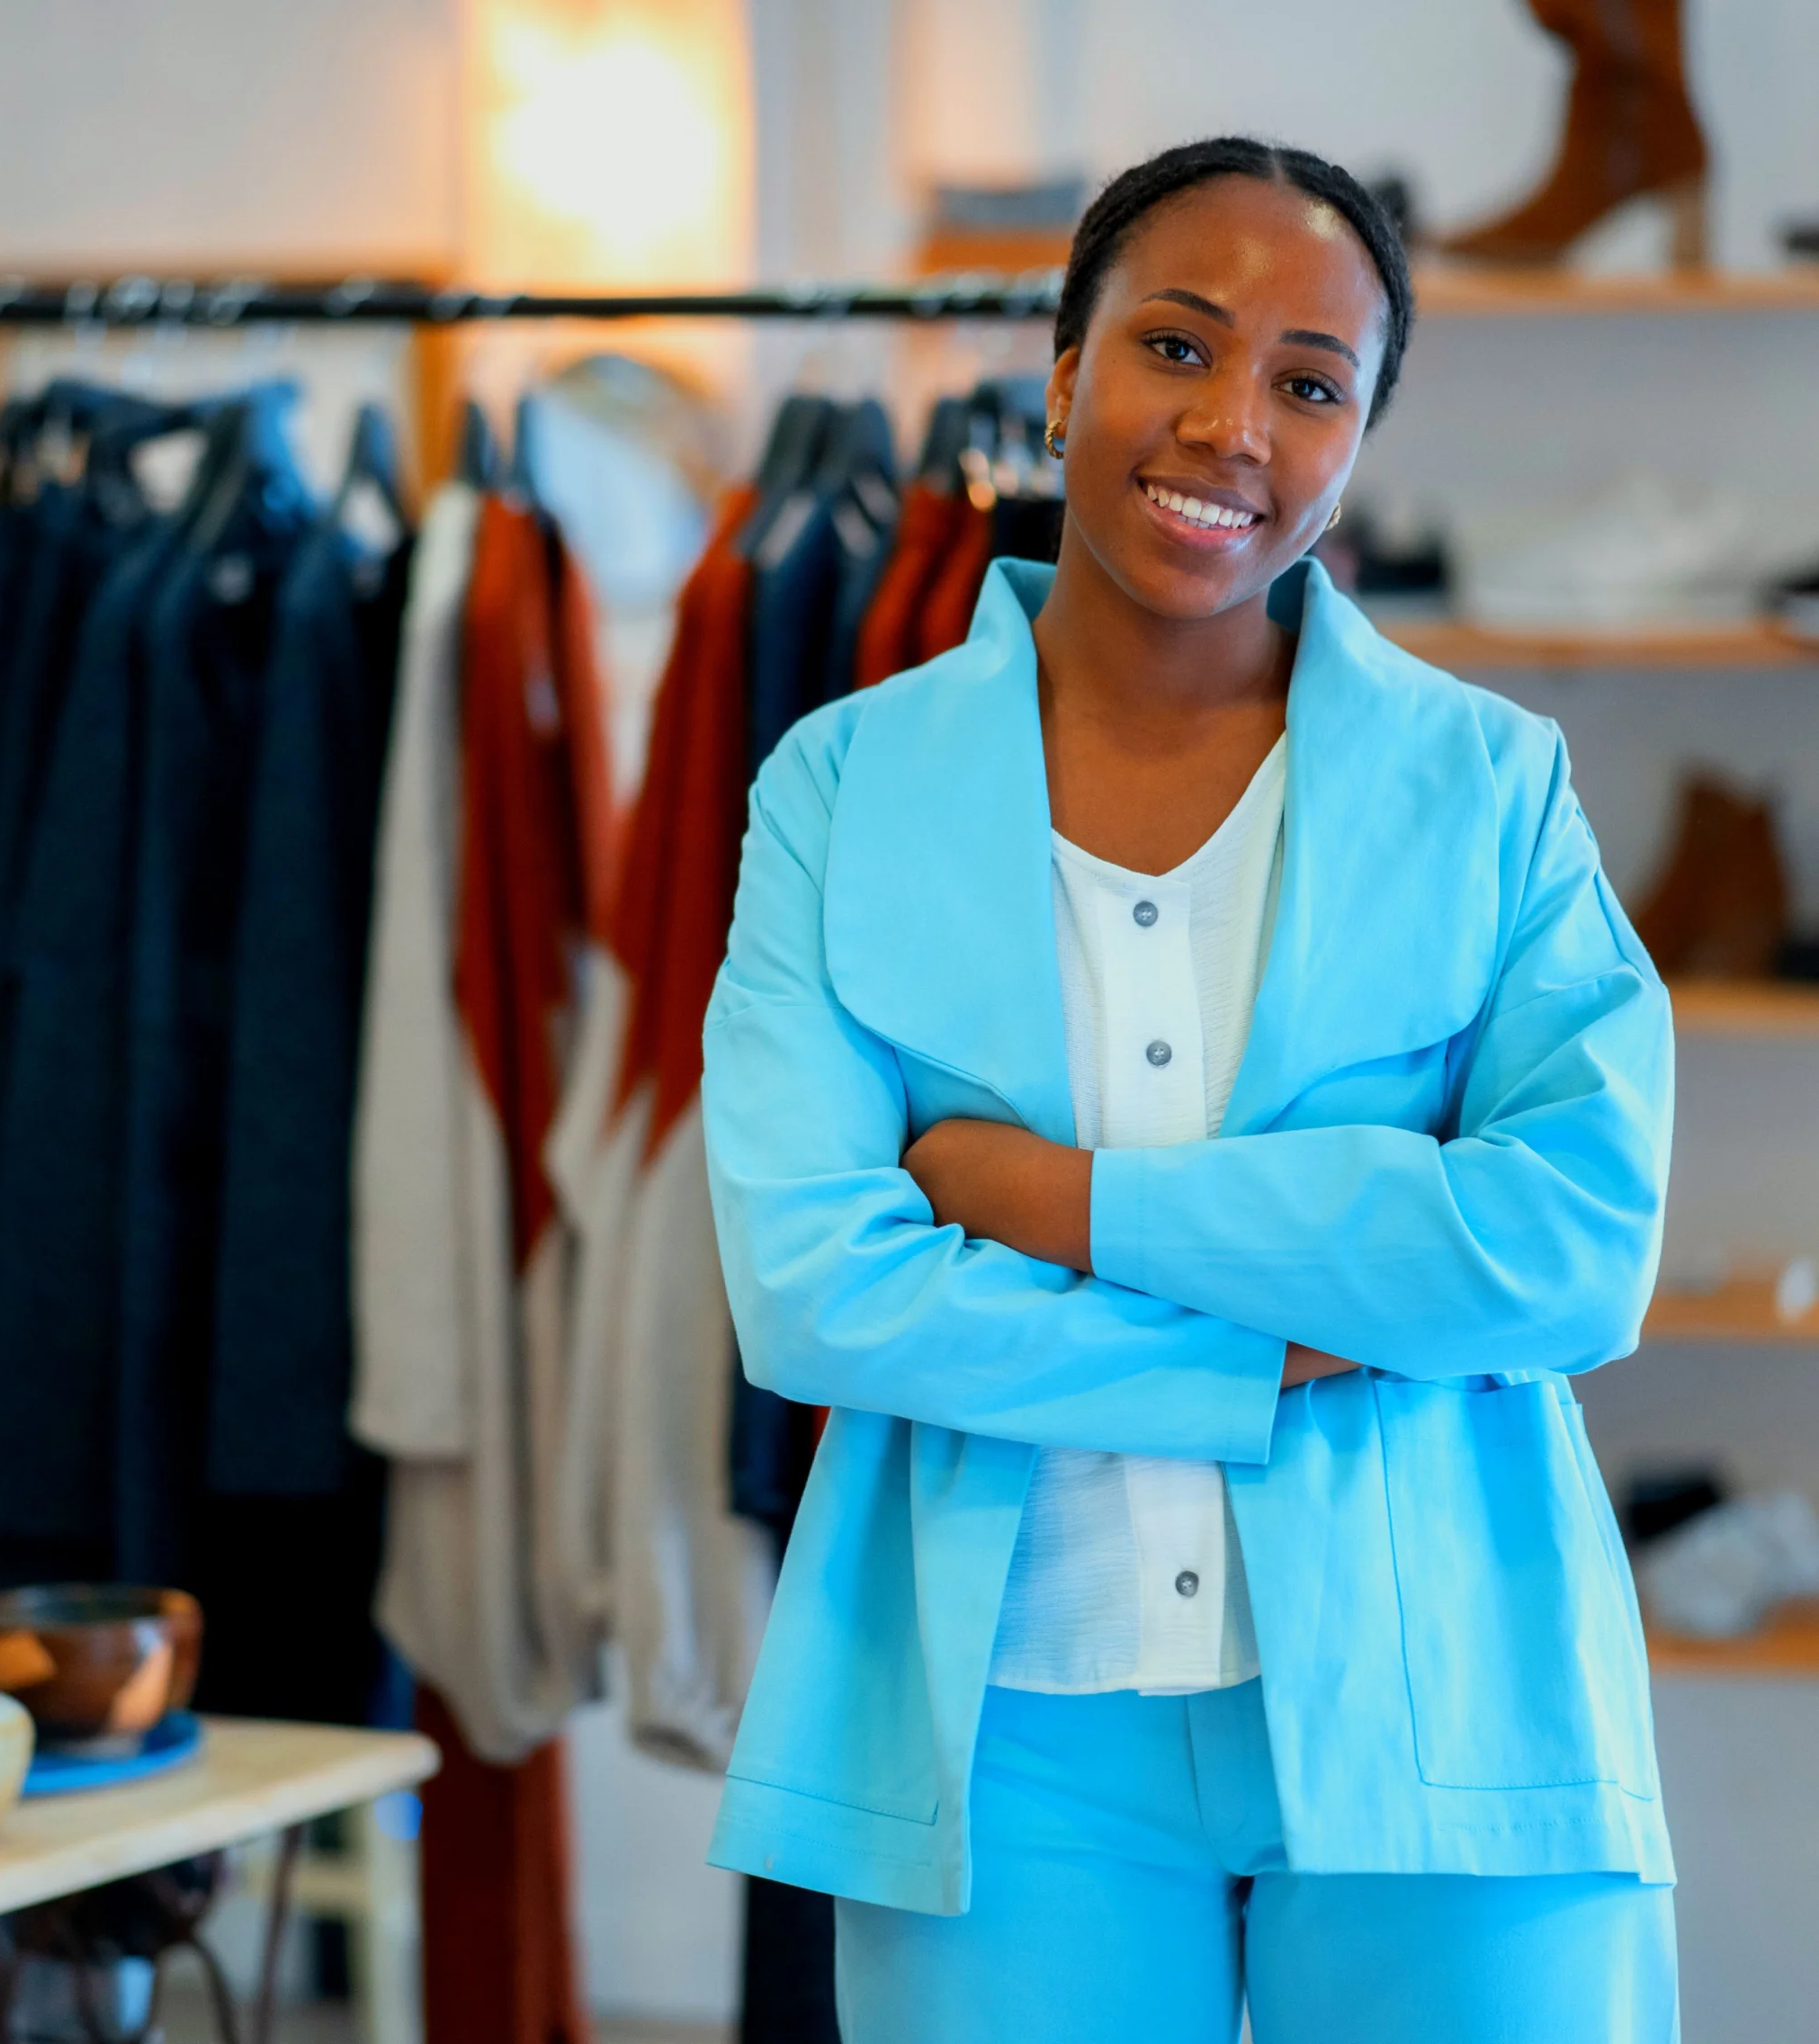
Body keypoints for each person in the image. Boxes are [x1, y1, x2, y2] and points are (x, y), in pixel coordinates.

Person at [700, 136, 1676, 2040]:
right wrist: (1264, 1345)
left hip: (1454, 1702)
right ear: (1060, 374)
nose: (1232, 425)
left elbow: (1567, 1246)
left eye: (1310, 383)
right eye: (1176, 345)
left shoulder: (1489, 788)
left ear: (1357, 435)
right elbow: (813, 1284)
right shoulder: (842, 785)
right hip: (1009, 1732)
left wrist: (1055, 1202)